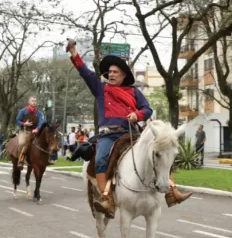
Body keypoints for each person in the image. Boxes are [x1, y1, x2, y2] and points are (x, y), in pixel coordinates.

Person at [66, 39, 192, 218]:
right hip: (108, 136)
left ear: (123, 75)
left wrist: (137, 115)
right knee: (101, 159)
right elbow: (85, 73)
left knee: (161, 152)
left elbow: (147, 109)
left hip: (131, 133)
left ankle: (172, 191)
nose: (111, 74)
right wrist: (74, 53)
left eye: (115, 72)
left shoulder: (134, 92)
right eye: (109, 72)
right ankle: (106, 199)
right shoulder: (101, 89)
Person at [16, 96, 45, 169]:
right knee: (22, 143)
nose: (34, 102)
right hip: (24, 131)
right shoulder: (23, 111)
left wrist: (37, 129)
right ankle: (20, 161)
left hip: (35, 131)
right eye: (32, 101)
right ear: (29, 102)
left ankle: (45, 160)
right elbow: (18, 120)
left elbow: (41, 122)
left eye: (35, 101)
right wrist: (24, 124)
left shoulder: (39, 113)